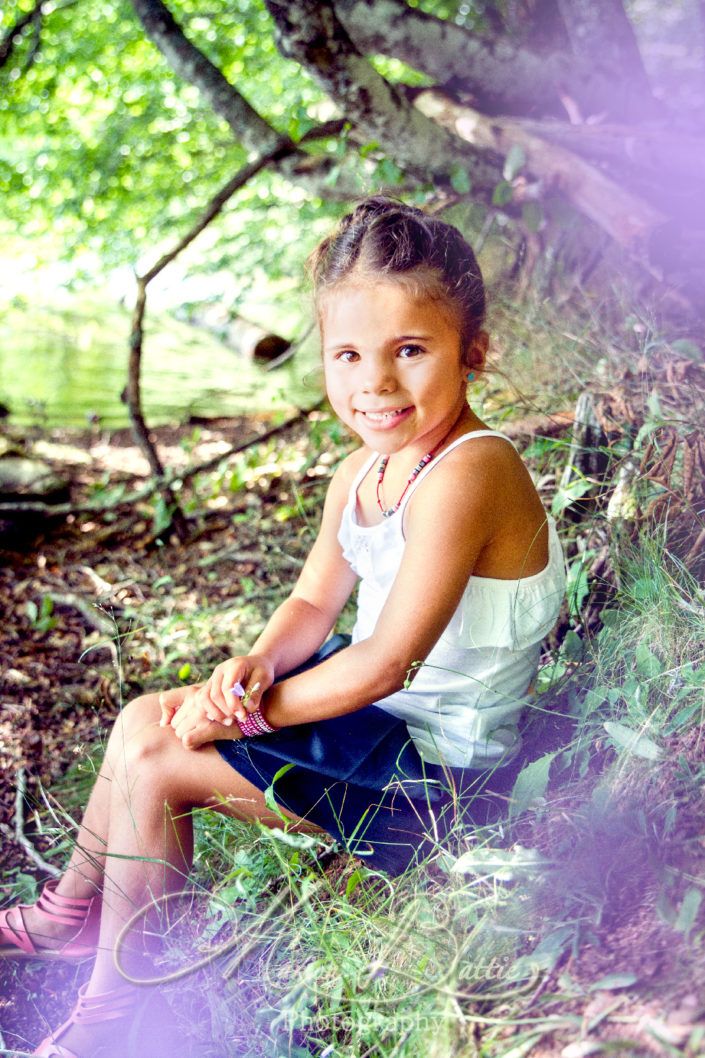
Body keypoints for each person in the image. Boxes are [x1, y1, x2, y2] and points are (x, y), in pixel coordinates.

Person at [0, 196, 566, 1056]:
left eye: (409, 351)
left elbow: (385, 664)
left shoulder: (471, 471)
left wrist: (244, 717)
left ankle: (117, 1024)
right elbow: (311, 607)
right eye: (348, 354)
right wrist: (255, 666)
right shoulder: (364, 469)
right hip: (379, 731)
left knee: (158, 762)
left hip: (444, 781)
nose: (374, 383)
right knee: (142, 718)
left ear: (473, 353)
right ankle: (73, 914)